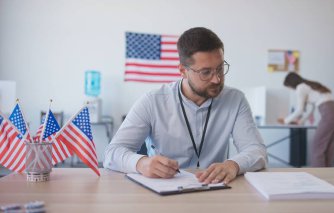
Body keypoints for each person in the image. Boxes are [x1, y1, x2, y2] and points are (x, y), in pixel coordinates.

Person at [104, 27, 267, 184]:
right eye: (206, 72)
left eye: (220, 69)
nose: (217, 79)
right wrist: (141, 163)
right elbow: (113, 153)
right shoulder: (152, 101)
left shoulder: (235, 100)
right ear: (182, 70)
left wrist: (233, 165)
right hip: (163, 190)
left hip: (214, 189)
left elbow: (256, 150)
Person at [278, 72, 334, 167]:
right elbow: (312, 109)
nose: (291, 89)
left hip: (329, 113)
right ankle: (329, 174)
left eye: (289, 87)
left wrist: (285, 121)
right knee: (330, 146)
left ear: (291, 83)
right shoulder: (310, 85)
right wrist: (301, 122)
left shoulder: (300, 87)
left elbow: (299, 110)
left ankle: (319, 175)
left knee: (317, 146)